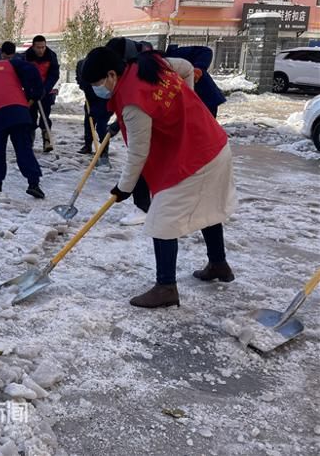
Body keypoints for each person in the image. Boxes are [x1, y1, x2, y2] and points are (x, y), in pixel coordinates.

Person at [81, 46, 236, 308]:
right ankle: (219, 264)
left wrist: (123, 188)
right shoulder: (149, 64)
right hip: (212, 144)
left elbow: (138, 154)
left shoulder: (132, 100)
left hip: (194, 157)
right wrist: (185, 106)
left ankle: (166, 287)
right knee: (208, 206)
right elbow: (186, 68)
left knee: (161, 220)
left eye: (98, 83)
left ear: (111, 74)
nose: (99, 89)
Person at [102, 37, 196, 224]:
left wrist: (186, 99)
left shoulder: (151, 66)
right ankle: (149, 207)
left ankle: (147, 208)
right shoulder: (130, 74)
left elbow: (186, 68)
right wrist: (116, 125)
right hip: (152, 124)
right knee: (144, 161)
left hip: (170, 128)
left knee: (143, 161)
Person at [0, 48, 45, 198]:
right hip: (17, 110)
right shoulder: (8, 64)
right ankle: (34, 184)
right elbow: (31, 68)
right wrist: (36, 93)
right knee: (23, 148)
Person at [165, 44, 226, 118]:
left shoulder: (175, 54)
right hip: (185, 104)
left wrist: (198, 69)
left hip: (205, 99)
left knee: (204, 127)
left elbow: (206, 51)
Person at [25, 35, 60, 153]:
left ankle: (47, 141)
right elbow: (23, 74)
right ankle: (29, 141)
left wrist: (44, 89)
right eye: (38, 47)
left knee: (45, 116)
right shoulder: (26, 56)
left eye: (43, 47)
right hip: (30, 92)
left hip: (46, 92)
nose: (41, 50)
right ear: (33, 47)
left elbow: (54, 74)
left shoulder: (51, 56)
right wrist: (30, 89)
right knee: (30, 117)